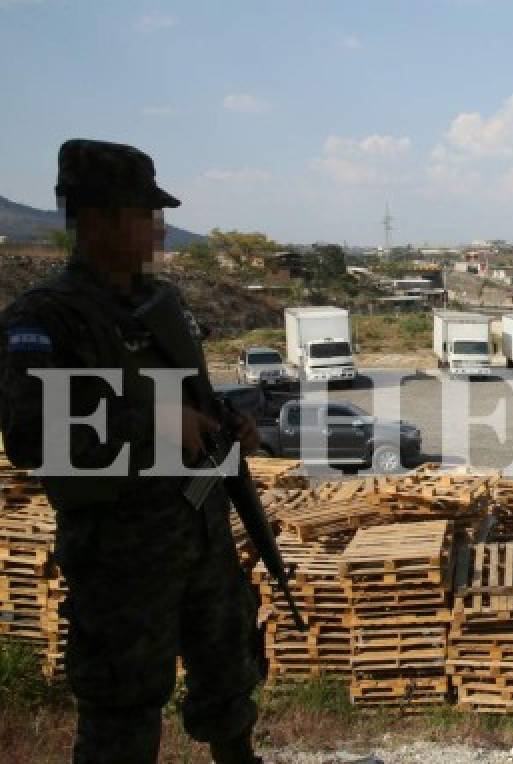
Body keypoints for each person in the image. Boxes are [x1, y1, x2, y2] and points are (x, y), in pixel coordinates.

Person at [0, 139, 264, 764]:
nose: (160, 228)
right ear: (96, 219)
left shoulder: (159, 306)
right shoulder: (47, 319)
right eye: (145, 213)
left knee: (229, 679)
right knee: (123, 711)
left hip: (200, 529)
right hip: (120, 554)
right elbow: (34, 438)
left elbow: (193, 395)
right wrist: (157, 420)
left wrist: (228, 423)